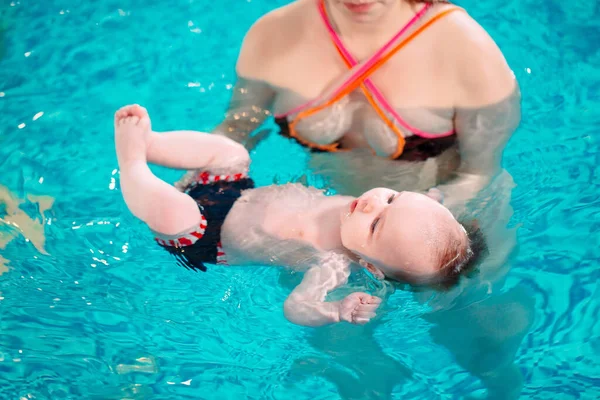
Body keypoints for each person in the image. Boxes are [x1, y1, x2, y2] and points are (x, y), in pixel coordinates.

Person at [114, 104, 483, 327]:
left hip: (204, 234)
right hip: (233, 189)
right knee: (232, 154)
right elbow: (420, 208)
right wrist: (436, 194)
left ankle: (132, 165)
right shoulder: (394, 213)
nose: (373, 203)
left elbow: (296, 307)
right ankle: (153, 144)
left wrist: (334, 310)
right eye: (393, 197)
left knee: (173, 211)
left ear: (371, 267)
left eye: (375, 225)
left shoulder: (334, 264)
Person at [212, 0, 520, 210]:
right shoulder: (273, 34)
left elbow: (478, 176)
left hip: (449, 216)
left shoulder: (467, 49)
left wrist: (412, 226)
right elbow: (237, 127)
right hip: (326, 218)